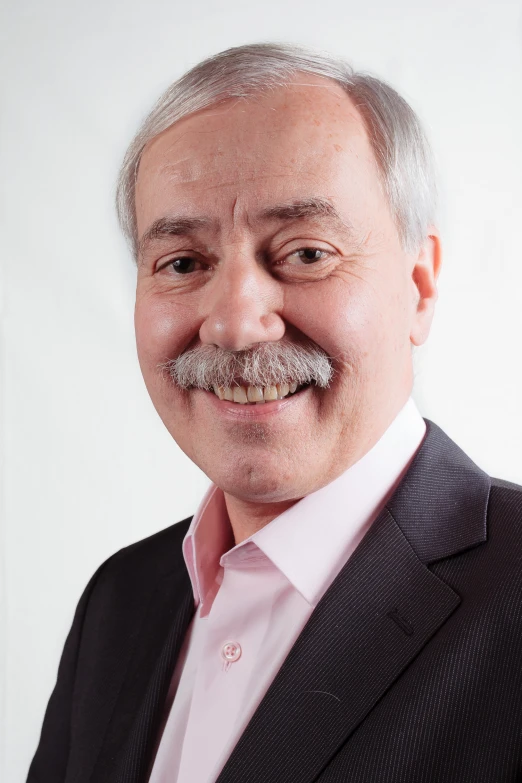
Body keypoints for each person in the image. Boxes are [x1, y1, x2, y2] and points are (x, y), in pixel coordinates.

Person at [27, 43, 522, 783]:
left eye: (305, 252)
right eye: (184, 263)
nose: (234, 322)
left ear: (418, 289)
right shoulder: (119, 602)